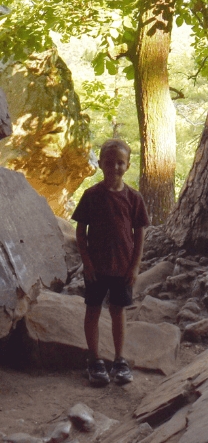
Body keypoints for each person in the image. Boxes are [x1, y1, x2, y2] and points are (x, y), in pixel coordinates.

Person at [72, 138, 149, 387]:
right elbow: (80, 231)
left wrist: (135, 267)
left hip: (123, 268)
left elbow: (140, 234)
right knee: (92, 310)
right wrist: (87, 262)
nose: (114, 167)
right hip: (96, 268)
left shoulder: (134, 198)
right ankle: (94, 360)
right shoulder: (91, 195)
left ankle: (119, 360)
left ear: (127, 165)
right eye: (109, 162)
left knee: (118, 312)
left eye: (120, 162)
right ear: (101, 163)